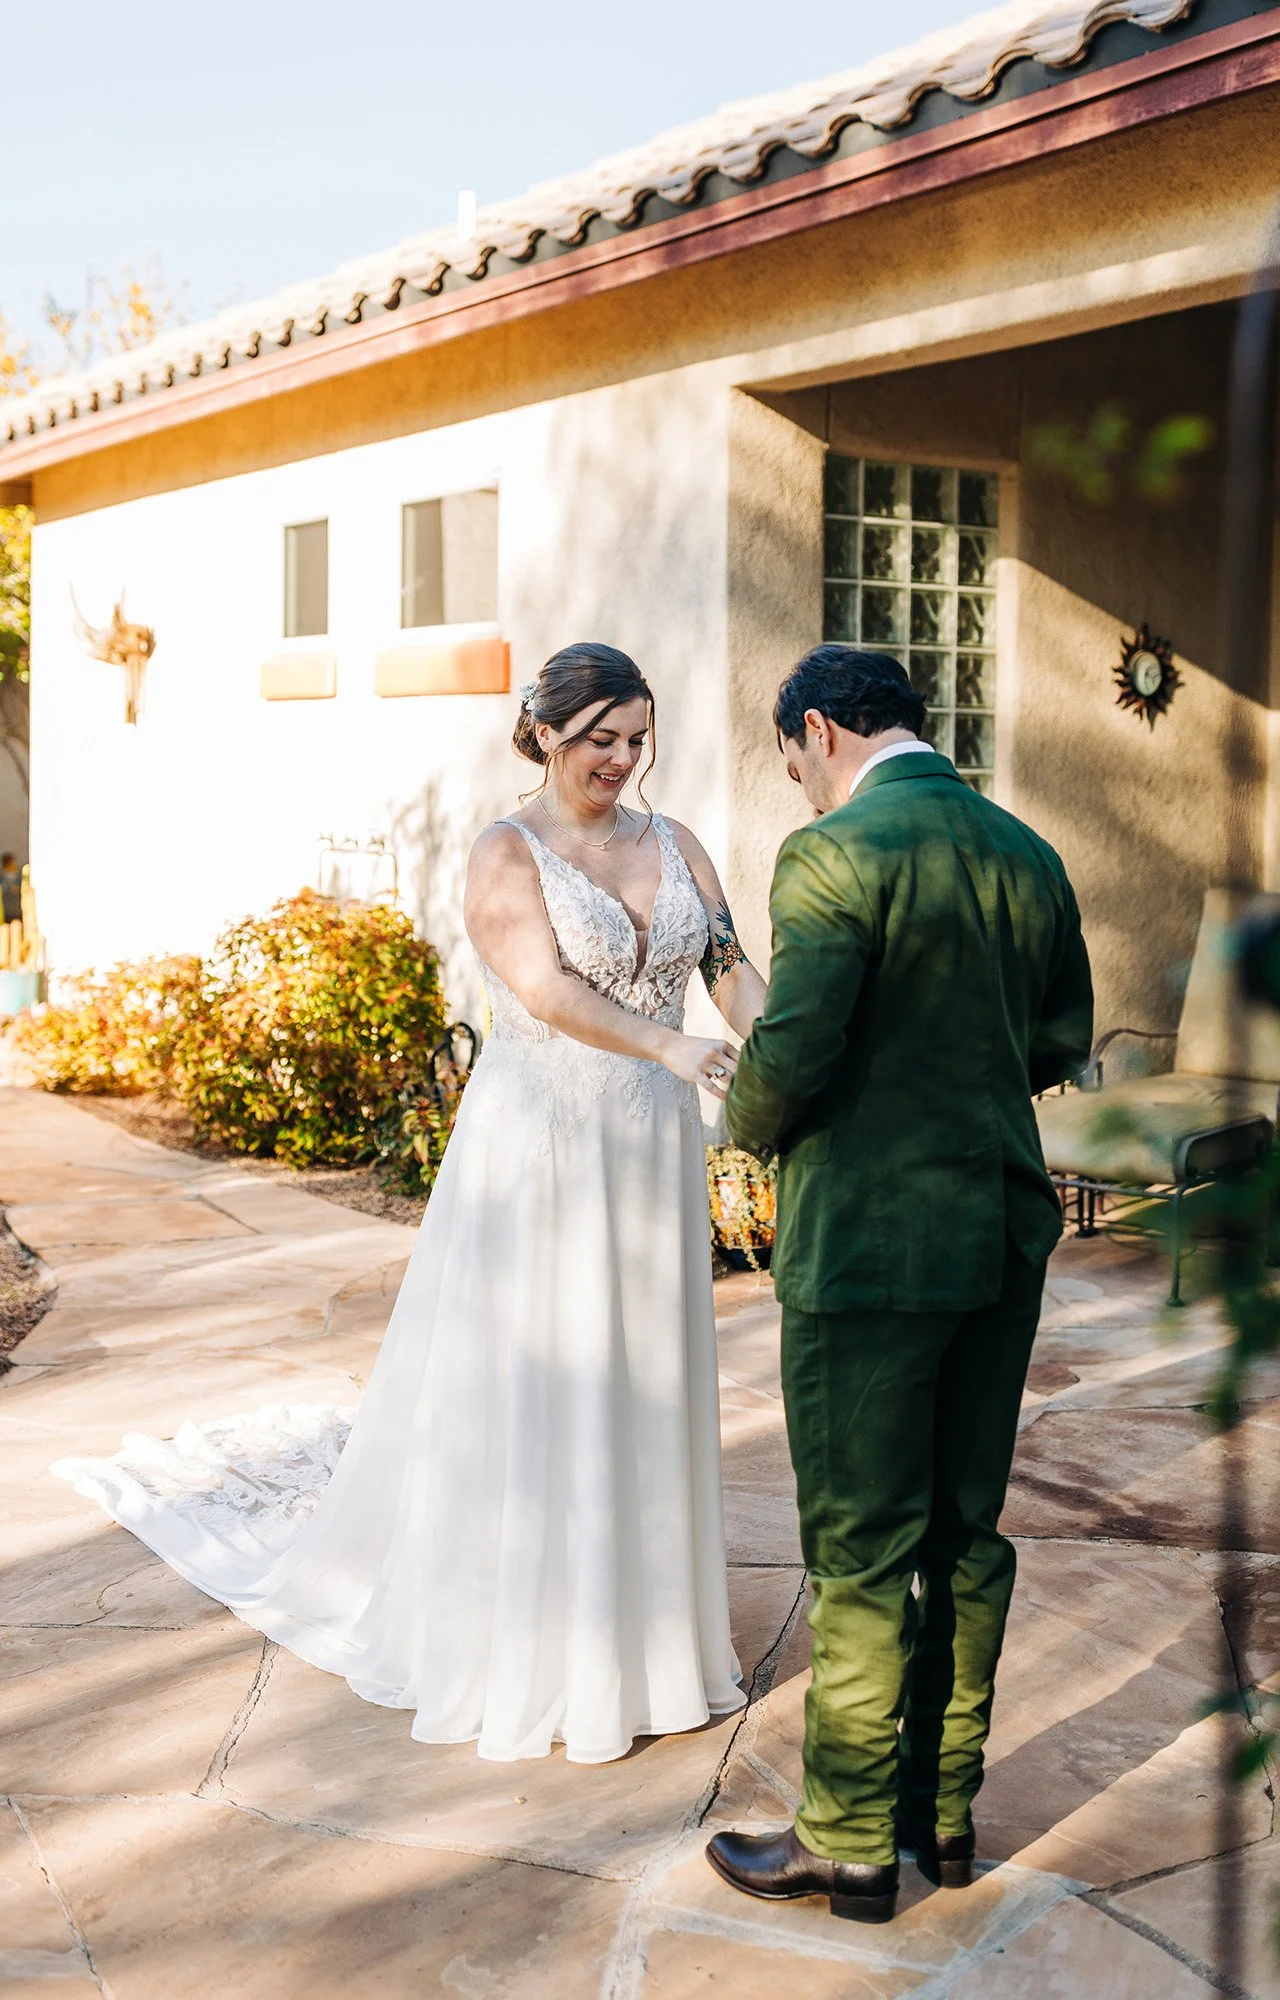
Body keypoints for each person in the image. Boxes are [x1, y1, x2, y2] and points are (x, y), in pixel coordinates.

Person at [55, 642, 768, 1764]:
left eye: (636, 740)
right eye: (599, 741)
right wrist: (669, 1043)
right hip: (544, 1151)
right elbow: (546, 988)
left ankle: (651, 1646)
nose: (622, 762)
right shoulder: (505, 850)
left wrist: (779, 1046)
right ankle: (536, 1647)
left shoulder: (676, 842)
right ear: (542, 732)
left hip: (649, 1150)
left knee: (645, 1375)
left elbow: (726, 962)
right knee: (549, 1377)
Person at [706, 643, 1093, 1924]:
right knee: (964, 1531)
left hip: (869, 1248)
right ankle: (944, 1811)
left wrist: (743, 1130)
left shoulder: (833, 855)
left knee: (863, 1542)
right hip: (994, 1232)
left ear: (817, 731)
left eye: (794, 764)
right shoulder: (1026, 851)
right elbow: (1056, 1038)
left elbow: (797, 1041)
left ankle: (851, 1840)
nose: (803, 790)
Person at [0, 853, 21, 925]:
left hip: (17, 910)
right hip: (6, 910)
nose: (15, 865)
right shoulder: (2, 879)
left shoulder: (19, 879)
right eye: (12, 863)